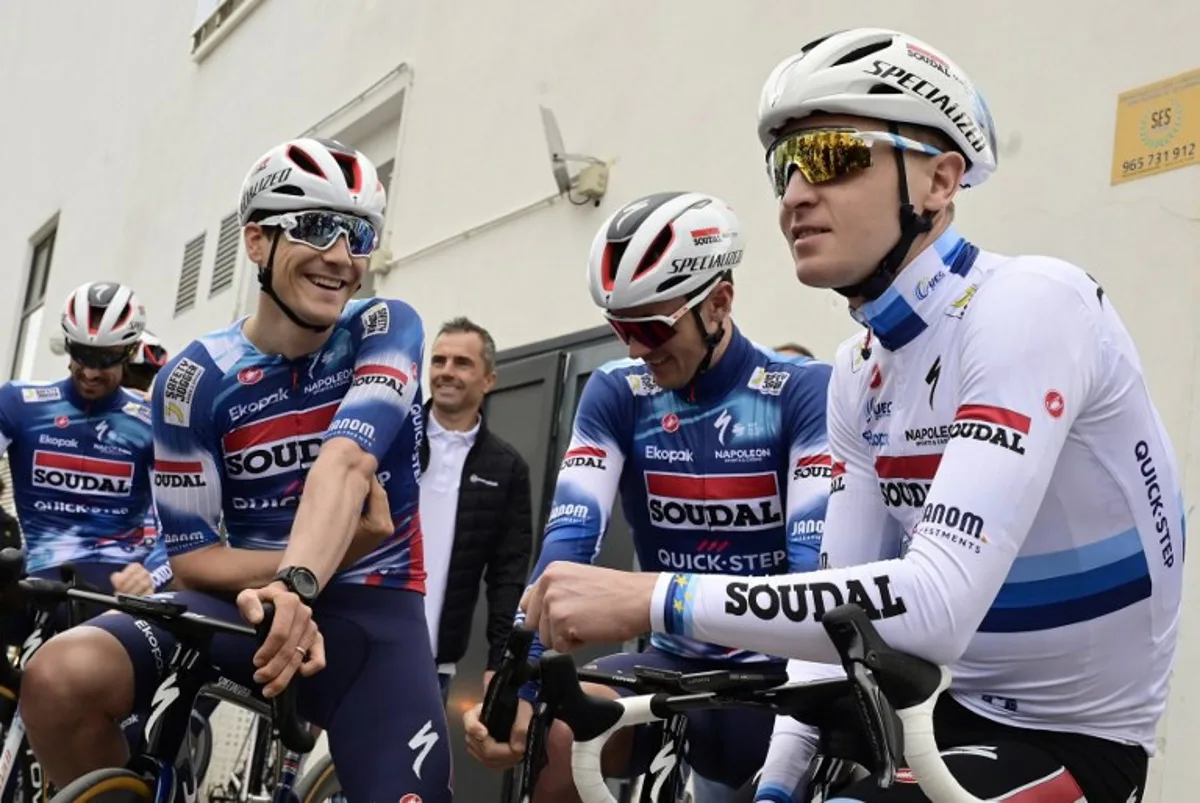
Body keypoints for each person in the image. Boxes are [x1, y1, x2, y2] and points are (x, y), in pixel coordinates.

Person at [518, 29, 1182, 803]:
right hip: (942, 709)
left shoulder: (1031, 305)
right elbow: (837, 611)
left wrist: (653, 596)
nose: (797, 192)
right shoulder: (860, 370)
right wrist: (777, 784)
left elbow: (932, 603)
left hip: (1074, 737)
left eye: (833, 155)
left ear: (939, 180)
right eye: (784, 166)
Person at [20, 137, 453, 802]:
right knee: (56, 677)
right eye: (313, 227)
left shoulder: (386, 326)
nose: (341, 256)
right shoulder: (191, 378)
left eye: (359, 233)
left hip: (374, 614)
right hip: (239, 608)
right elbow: (195, 562)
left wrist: (299, 584)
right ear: (255, 241)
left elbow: (343, 462)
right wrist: (294, 570)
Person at [465, 191, 833, 803]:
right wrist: (516, 688)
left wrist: (656, 601)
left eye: (652, 327)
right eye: (619, 327)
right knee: (559, 732)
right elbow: (568, 544)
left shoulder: (800, 392)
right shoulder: (619, 392)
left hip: (776, 676)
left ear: (720, 302)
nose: (634, 347)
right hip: (670, 663)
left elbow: (808, 576)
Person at [0, 281, 168, 599]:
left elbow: (180, 527)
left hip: (118, 591)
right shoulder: (18, 402)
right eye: (82, 354)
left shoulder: (152, 422)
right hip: (36, 579)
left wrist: (151, 575)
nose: (91, 372)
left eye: (105, 359)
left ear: (129, 352)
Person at [420, 316, 532, 706]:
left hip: (433, 664)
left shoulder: (507, 468)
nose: (446, 372)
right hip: (361, 644)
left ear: (488, 380)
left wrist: (499, 660)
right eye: (439, 361)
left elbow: (508, 576)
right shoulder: (392, 440)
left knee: (415, 768)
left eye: (462, 363)